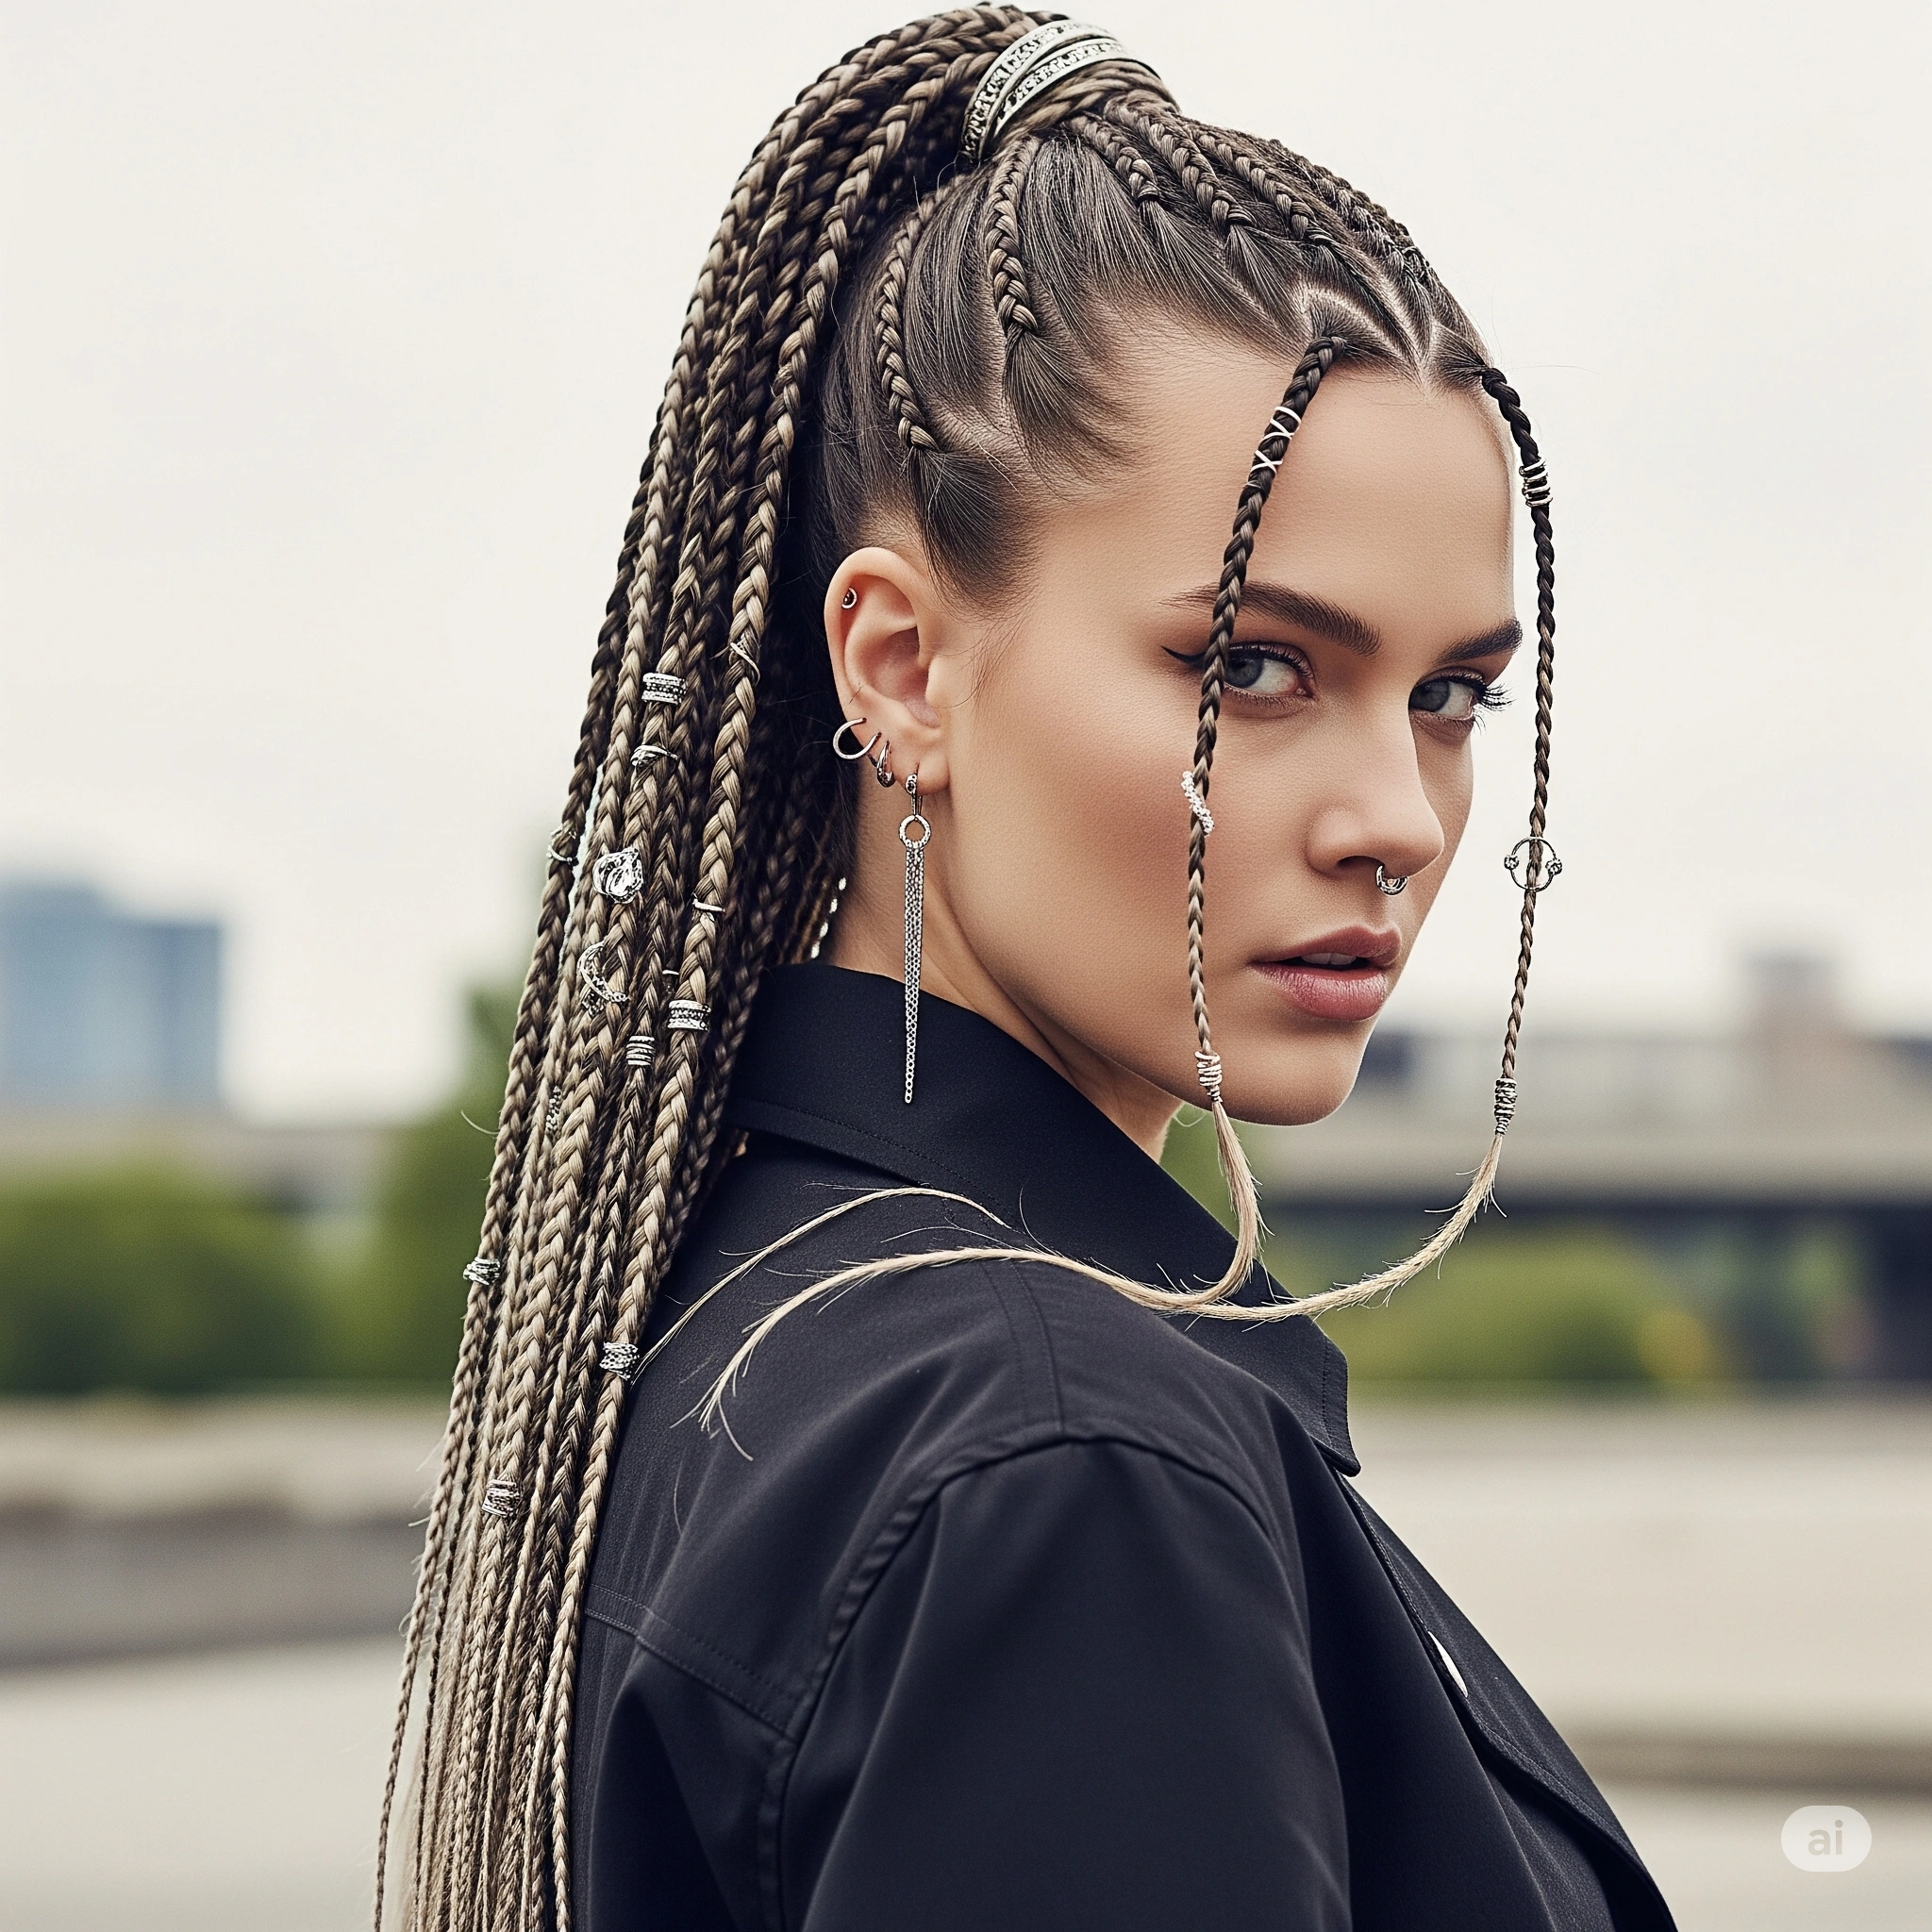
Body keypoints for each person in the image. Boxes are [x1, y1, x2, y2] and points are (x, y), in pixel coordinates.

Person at [375, 13, 1674, 1929]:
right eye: (1253, 667)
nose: (1398, 815)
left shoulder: (767, 1317)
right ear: (903, 666)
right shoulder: (1059, 1457)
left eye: (1453, 696)